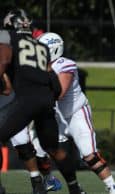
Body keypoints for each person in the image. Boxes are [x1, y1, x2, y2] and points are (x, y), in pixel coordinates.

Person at [0, 9, 84, 194]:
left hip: (25, 99)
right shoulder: (42, 47)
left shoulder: (7, 37)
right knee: (54, 149)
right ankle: (75, 188)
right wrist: (48, 101)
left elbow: (3, 61)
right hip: (46, 99)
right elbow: (53, 80)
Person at [36, 32, 115, 194]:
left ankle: (113, 187)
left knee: (89, 155)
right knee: (38, 150)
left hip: (76, 113)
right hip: (56, 114)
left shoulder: (64, 64)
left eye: (41, 49)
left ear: (52, 50)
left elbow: (58, 92)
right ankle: (49, 180)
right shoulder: (38, 66)